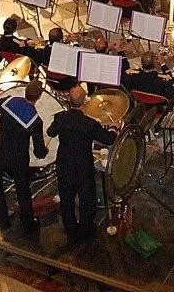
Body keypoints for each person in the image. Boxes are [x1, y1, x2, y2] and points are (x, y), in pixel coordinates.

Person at [0, 80, 49, 233]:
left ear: (25, 91)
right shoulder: (36, 121)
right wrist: (45, 151)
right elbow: (39, 153)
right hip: (19, 159)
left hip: (1, 153)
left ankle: (3, 220)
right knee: (22, 190)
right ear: (39, 96)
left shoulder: (9, 101)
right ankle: (28, 223)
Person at [48, 86, 117, 242]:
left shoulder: (60, 118)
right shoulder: (89, 123)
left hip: (64, 164)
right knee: (87, 200)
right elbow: (109, 139)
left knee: (67, 200)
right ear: (85, 102)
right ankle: (86, 230)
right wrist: (114, 128)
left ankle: (71, 230)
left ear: (69, 101)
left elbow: (50, 132)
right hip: (83, 166)